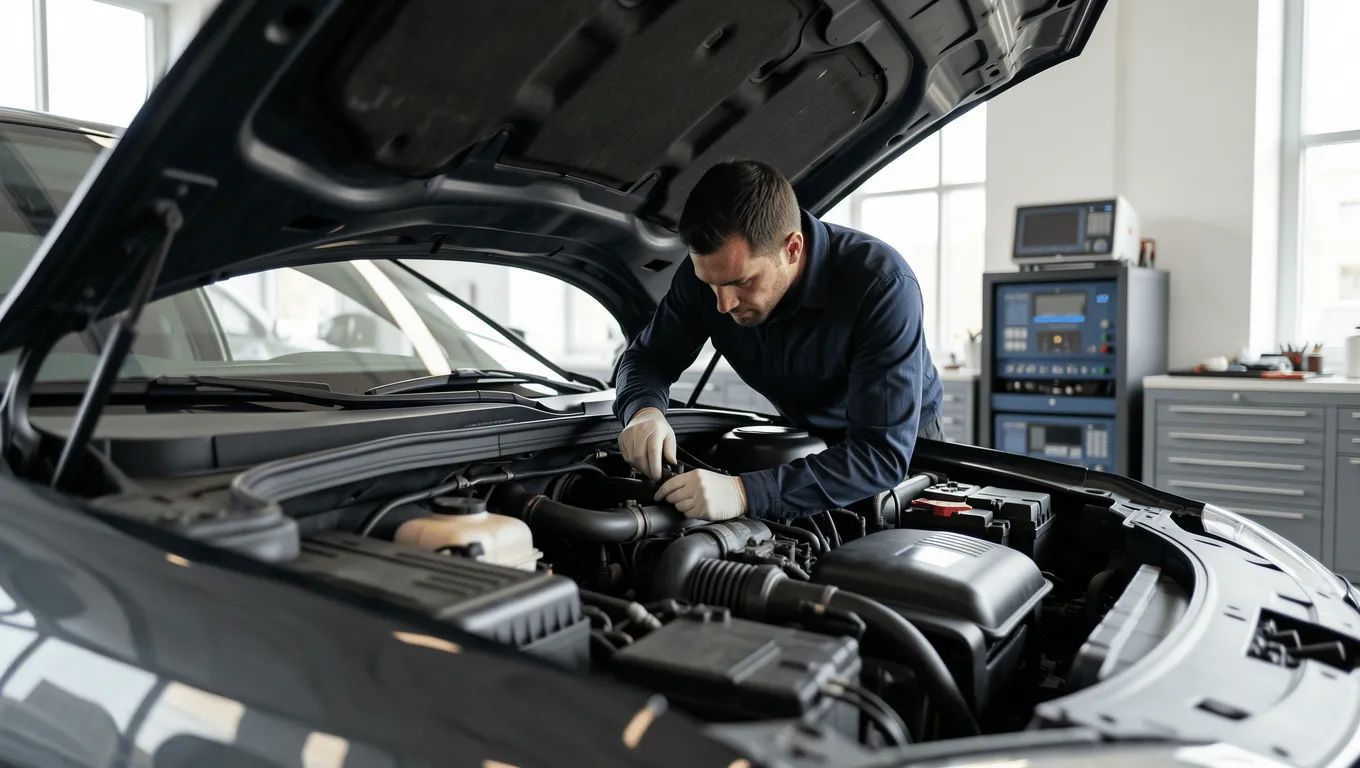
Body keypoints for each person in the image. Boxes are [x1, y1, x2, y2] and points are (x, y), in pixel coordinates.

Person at [613, 159, 944, 522]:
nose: (723, 305)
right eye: (710, 285)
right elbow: (647, 358)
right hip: (805, 442)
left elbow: (879, 455)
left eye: (741, 283)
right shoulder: (708, 279)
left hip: (902, 450)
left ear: (792, 249)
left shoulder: (881, 285)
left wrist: (744, 493)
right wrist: (643, 412)